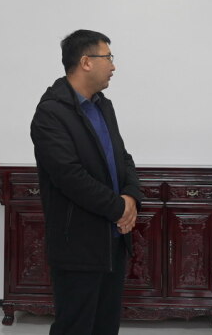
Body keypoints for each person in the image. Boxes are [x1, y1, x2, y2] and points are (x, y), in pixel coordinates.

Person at [30, 29, 144, 335]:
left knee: (106, 326)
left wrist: (131, 196)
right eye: (108, 57)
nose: (113, 66)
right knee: (75, 326)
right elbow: (70, 177)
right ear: (86, 62)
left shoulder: (103, 105)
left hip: (113, 240)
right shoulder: (51, 113)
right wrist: (119, 208)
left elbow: (122, 157)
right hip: (77, 245)